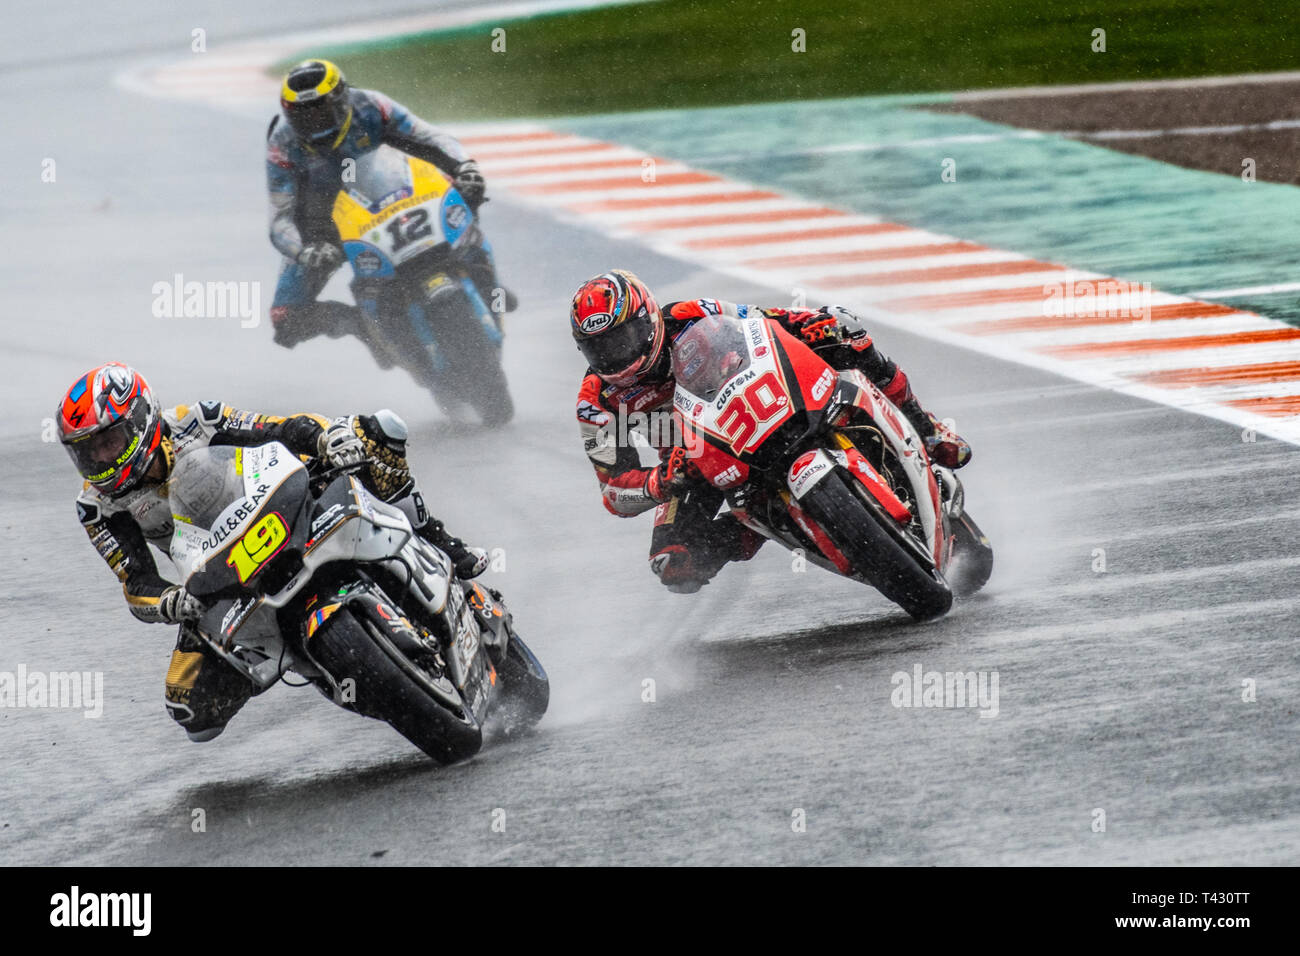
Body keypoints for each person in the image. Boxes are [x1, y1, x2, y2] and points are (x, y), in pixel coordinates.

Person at [57, 362, 487, 741]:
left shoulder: (194, 421)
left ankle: (437, 538)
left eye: (107, 442)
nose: (99, 459)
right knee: (190, 708)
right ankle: (314, 661)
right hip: (216, 570)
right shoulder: (96, 507)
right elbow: (135, 582)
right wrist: (170, 601)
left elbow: (277, 428)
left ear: (141, 419)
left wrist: (325, 439)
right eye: (86, 452)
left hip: (275, 507)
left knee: (374, 433)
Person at [570, 269, 971, 593]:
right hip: (698, 462)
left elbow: (763, 321)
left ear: (648, 320)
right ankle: (761, 524)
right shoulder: (596, 402)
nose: (615, 357)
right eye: (599, 348)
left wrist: (812, 324)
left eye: (621, 339)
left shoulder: (691, 314)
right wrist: (661, 480)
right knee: (674, 563)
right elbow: (615, 490)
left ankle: (928, 428)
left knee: (846, 336)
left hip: (762, 399)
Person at [266, 58, 511, 350]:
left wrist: (465, 167)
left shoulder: (371, 106)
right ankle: (369, 329)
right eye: (304, 117)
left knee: (464, 187)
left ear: (341, 100)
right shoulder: (282, 145)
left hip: (395, 191)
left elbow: (429, 136)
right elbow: (280, 218)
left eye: (322, 112)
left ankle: (480, 274)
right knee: (286, 319)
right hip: (323, 222)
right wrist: (306, 251)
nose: (315, 123)